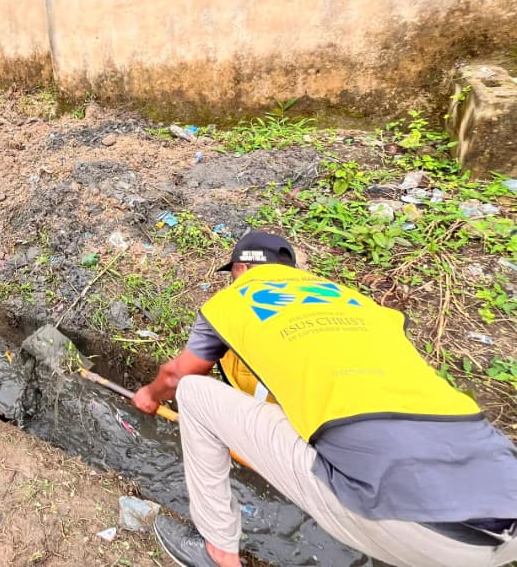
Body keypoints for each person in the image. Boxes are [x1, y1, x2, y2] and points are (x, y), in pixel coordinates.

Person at [131, 231, 517, 567]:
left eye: (232, 273)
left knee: (195, 393)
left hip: (410, 521)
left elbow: (178, 375)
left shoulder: (235, 300)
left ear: (242, 270)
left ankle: (217, 553)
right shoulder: (361, 305)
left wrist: (149, 395)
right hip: (505, 507)